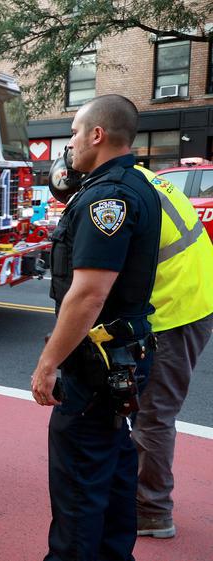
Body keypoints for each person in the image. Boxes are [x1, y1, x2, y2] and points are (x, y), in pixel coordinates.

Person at [30, 94, 161, 561]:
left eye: (73, 134)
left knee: (80, 479)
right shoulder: (138, 185)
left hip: (96, 365)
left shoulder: (108, 198)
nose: (71, 144)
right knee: (114, 465)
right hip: (122, 356)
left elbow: (88, 294)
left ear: (97, 135)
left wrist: (48, 365)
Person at [130, 166, 213, 539]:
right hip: (189, 297)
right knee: (147, 408)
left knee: (154, 413)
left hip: (178, 308)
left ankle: (152, 511)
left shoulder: (121, 191)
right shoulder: (141, 175)